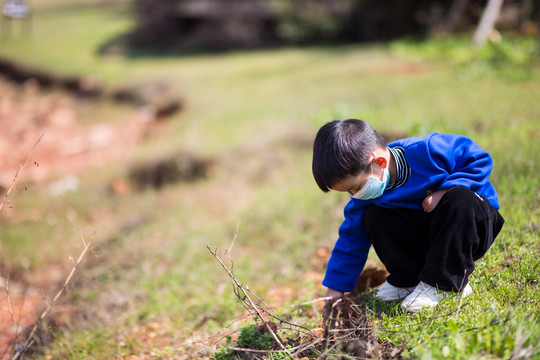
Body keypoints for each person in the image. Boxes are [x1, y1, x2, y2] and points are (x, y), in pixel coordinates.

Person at [312, 119, 505, 312]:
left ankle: (445, 284)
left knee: (459, 199)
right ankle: (408, 280)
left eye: (356, 187)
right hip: (430, 235)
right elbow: (351, 239)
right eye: (349, 191)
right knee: (372, 215)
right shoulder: (367, 195)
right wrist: (335, 287)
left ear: (379, 162)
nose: (355, 195)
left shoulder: (428, 151)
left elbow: (479, 159)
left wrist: (446, 189)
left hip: (471, 226)